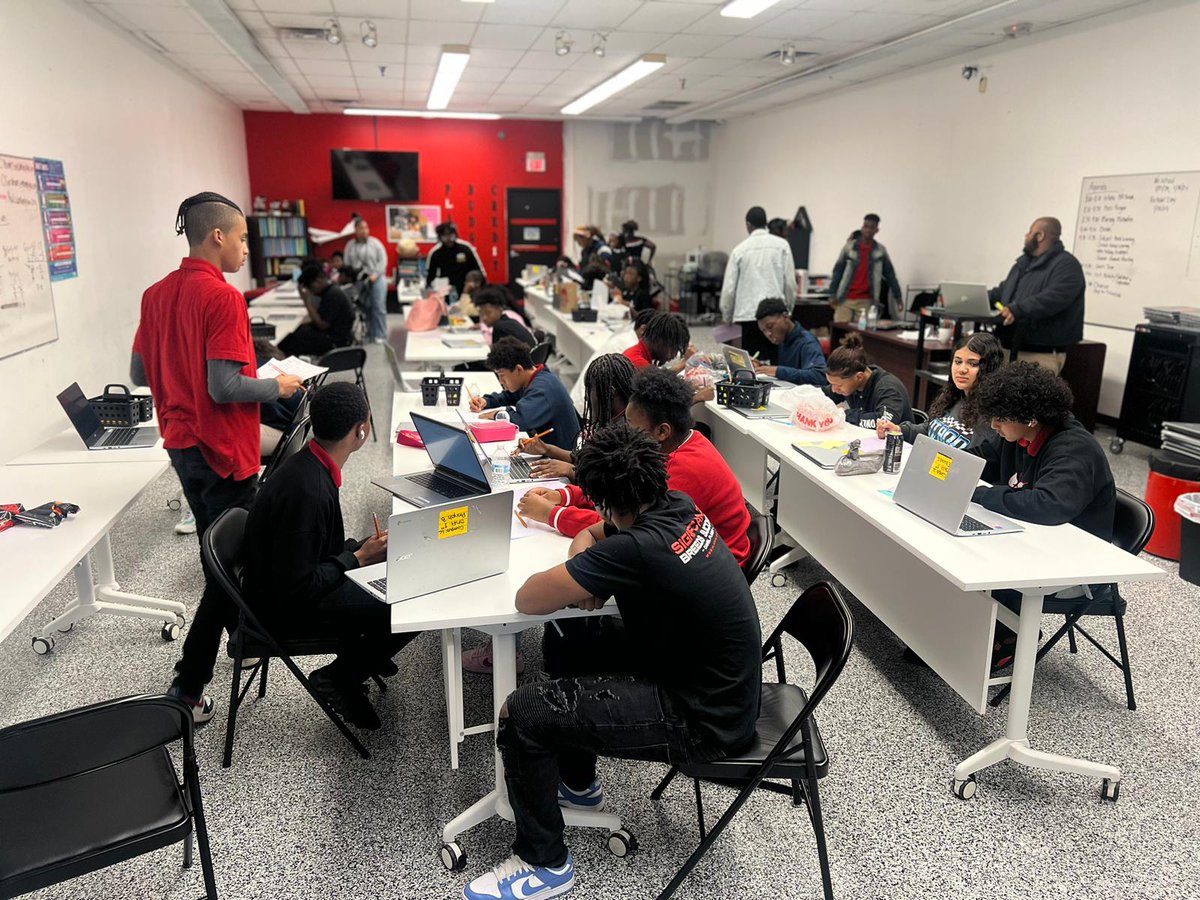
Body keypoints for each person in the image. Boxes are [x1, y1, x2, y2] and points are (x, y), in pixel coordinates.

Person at [461, 423, 762, 900]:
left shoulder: (636, 547)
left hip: (703, 720)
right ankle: (578, 785)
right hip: (715, 680)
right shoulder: (677, 507)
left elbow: (529, 597)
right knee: (571, 638)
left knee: (521, 714)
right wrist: (592, 570)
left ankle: (545, 864)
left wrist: (589, 572)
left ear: (601, 497)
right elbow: (591, 532)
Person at [131, 191, 304, 721]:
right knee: (224, 568)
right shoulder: (224, 298)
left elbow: (141, 374)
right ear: (218, 237)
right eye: (244, 238)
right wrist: (281, 386)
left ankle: (240, 638)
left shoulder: (155, 294)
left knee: (220, 553)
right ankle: (188, 687)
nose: (248, 249)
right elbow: (227, 386)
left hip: (182, 445)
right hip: (221, 449)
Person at [241, 382, 417, 730]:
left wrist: (361, 549)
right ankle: (340, 677)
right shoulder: (308, 491)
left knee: (397, 560)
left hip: (289, 584)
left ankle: (369, 654)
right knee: (410, 600)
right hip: (284, 610)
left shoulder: (308, 465)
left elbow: (314, 552)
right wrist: (356, 558)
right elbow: (297, 587)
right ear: (361, 431)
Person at [519, 367, 752, 567]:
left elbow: (626, 527)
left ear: (662, 431)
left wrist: (552, 514)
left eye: (630, 424)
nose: (625, 429)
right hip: (685, 548)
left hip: (707, 566)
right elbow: (619, 494)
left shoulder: (684, 468)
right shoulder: (674, 445)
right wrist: (564, 496)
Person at [970, 361, 1114, 669]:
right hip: (1032, 543)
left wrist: (981, 494)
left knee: (979, 561)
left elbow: (1048, 505)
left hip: (1073, 565)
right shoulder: (1017, 434)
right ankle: (953, 634)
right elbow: (981, 460)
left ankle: (1005, 636)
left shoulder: (1074, 448)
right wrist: (953, 468)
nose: (994, 425)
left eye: (1000, 418)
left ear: (1030, 418)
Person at [988, 216, 1086, 374]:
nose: (1026, 236)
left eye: (1029, 232)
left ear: (1040, 235)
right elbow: (1002, 292)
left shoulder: (1067, 265)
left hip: (1039, 356)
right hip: (1007, 349)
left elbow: (1052, 299)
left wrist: (1017, 310)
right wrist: (971, 298)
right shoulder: (1022, 265)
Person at [522, 353, 635, 483]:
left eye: (590, 390)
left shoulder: (626, 433)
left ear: (611, 391)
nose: (587, 397)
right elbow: (586, 458)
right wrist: (546, 449)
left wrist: (571, 471)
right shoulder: (610, 419)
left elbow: (609, 484)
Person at [878, 331, 1002, 449]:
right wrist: (900, 430)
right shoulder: (953, 397)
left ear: (989, 368)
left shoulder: (991, 418)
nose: (962, 369)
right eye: (958, 362)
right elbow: (929, 431)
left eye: (973, 364)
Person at [470, 337, 581, 451]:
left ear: (518, 369)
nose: (501, 381)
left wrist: (498, 414)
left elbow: (521, 421)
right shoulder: (533, 377)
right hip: (546, 450)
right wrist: (486, 401)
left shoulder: (542, 389)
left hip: (562, 459)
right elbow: (510, 395)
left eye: (502, 375)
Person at [719, 206, 796, 364]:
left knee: (750, 365)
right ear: (765, 223)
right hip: (775, 316)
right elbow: (790, 283)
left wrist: (726, 317)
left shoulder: (739, 250)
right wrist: (788, 310)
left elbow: (728, 289)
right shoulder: (782, 246)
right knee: (777, 364)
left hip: (747, 317)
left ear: (748, 225)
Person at [823, 332, 912, 428]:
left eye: (839, 385)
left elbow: (883, 423)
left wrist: (844, 414)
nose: (834, 390)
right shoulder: (850, 382)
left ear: (859, 377)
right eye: (832, 384)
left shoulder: (888, 389)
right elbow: (820, 395)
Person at [829, 213, 904, 326]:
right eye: (865, 226)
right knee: (841, 333)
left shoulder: (880, 251)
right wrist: (832, 294)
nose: (868, 230)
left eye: (871, 227)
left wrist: (898, 297)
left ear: (876, 230)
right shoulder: (849, 248)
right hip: (845, 299)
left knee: (861, 337)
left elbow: (890, 275)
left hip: (867, 301)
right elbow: (838, 271)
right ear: (862, 227)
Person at [279, 264, 355, 357]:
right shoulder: (331, 291)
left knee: (287, 342)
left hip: (335, 341)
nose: (311, 292)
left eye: (310, 288)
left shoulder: (332, 295)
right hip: (337, 336)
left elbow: (322, 325)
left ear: (317, 282)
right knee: (297, 332)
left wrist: (306, 301)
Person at [751, 298, 827, 386]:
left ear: (785, 317)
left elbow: (819, 376)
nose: (768, 334)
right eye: (763, 330)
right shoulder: (782, 339)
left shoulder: (807, 342)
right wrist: (761, 367)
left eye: (770, 326)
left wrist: (777, 371)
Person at [343, 217, 389, 344]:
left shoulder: (376, 243)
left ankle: (380, 335)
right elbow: (347, 263)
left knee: (378, 307)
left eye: (366, 228)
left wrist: (376, 274)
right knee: (366, 307)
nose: (364, 231)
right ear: (355, 230)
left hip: (376, 278)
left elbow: (383, 261)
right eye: (361, 228)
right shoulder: (350, 246)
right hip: (359, 279)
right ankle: (370, 333)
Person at [425, 222, 486, 296]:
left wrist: (482, 287)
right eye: (445, 236)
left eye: (451, 235)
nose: (448, 239)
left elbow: (478, 270)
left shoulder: (465, 248)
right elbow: (430, 275)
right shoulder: (435, 253)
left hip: (467, 288)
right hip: (445, 290)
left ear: (455, 235)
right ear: (440, 237)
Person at [622, 311, 690, 369]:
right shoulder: (637, 361)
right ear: (659, 340)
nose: (674, 355)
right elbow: (661, 380)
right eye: (674, 348)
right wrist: (684, 362)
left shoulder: (638, 352)